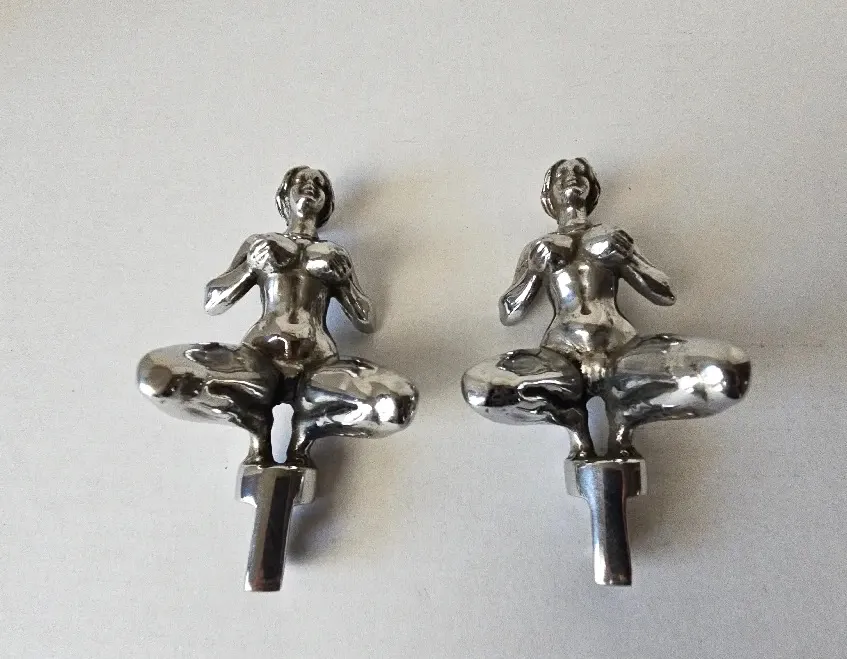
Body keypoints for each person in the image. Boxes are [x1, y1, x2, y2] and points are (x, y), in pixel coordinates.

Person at [462, 159, 750, 459]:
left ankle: (624, 423)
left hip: (622, 355)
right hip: (560, 361)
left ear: (592, 190)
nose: (572, 177)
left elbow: (665, 295)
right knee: (483, 388)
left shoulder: (611, 237)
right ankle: (575, 426)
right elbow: (509, 313)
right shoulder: (541, 247)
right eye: (561, 175)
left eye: (580, 173)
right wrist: (534, 270)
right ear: (549, 195)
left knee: (725, 371)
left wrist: (628, 258)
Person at [138, 167, 417, 466]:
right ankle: (257, 432)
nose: (310, 186)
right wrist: (251, 266)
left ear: (326, 203)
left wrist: (344, 281)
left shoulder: (333, 253)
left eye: (319, 185)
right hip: (256, 362)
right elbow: (213, 301)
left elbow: (367, 322)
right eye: (301, 181)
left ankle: (304, 436)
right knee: (160, 375)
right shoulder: (260, 243)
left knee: (394, 404)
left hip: (317, 368)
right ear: (285, 197)